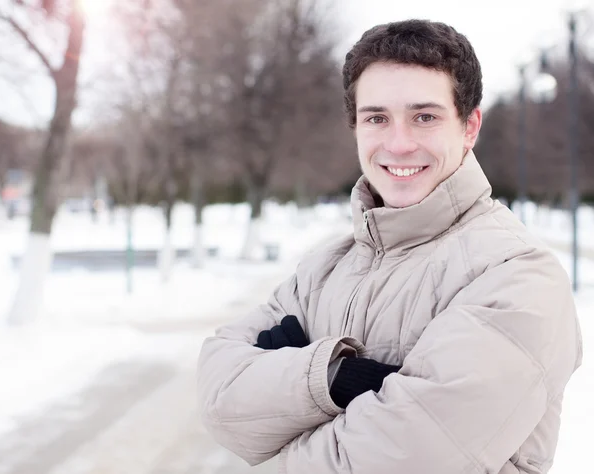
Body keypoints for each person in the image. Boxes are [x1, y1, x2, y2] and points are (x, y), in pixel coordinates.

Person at [197, 19, 583, 473]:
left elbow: (398, 461)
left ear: (469, 126)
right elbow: (220, 399)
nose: (399, 144)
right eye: (377, 117)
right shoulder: (325, 267)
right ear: (355, 127)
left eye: (425, 117)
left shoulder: (516, 276)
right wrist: (335, 378)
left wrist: (285, 398)